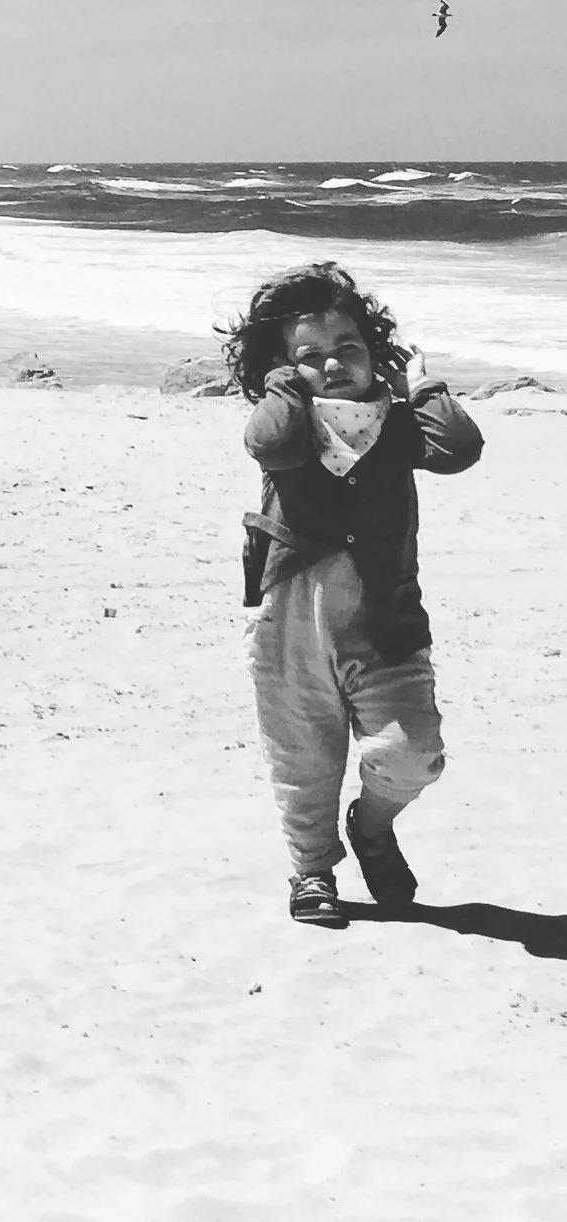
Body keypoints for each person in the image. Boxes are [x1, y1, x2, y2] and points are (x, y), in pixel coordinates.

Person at [225, 260, 482, 928]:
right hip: (289, 621)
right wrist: (285, 381)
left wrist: (421, 382)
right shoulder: (288, 421)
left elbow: (457, 447)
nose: (332, 365)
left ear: (377, 357)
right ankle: (312, 872)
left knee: (412, 754)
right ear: (282, 370)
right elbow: (271, 445)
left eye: (348, 349)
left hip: (385, 623)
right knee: (302, 759)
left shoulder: (399, 427)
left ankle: (371, 825)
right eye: (310, 356)